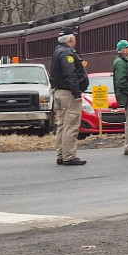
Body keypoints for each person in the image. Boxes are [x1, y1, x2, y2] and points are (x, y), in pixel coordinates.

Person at [50, 31, 89, 166]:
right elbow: (70, 74)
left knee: (61, 125)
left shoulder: (57, 51)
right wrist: (77, 93)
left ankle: (61, 154)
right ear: (71, 39)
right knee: (71, 125)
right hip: (69, 94)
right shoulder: (67, 53)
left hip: (59, 93)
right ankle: (69, 156)